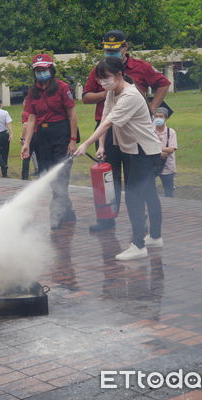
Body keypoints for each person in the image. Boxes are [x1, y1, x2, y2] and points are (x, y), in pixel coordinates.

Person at [75, 57, 163, 261]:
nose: (103, 83)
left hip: (145, 151)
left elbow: (108, 124)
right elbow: (105, 118)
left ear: (118, 75)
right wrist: (103, 146)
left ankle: (138, 245)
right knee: (148, 192)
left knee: (133, 195)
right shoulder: (112, 93)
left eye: (106, 78)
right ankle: (155, 237)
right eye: (100, 79)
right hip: (134, 149)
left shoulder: (130, 95)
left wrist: (86, 143)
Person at [83, 29, 171, 232]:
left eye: (115, 49)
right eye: (107, 49)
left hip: (133, 133)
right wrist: (107, 92)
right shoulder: (101, 70)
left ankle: (140, 224)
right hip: (105, 130)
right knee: (108, 177)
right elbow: (87, 97)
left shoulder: (140, 67)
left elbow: (163, 84)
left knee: (136, 181)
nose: (110, 53)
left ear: (125, 48)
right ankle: (107, 219)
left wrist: (151, 108)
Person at [21, 53, 78, 229]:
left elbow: (72, 115)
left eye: (44, 69)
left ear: (51, 69)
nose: (41, 73)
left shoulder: (62, 87)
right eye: (38, 70)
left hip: (61, 132)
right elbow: (31, 119)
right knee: (49, 174)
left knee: (61, 174)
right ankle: (67, 210)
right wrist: (26, 143)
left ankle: (56, 214)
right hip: (42, 137)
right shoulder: (33, 92)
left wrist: (72, 140)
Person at [153, 107, 177, 197]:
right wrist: (161, 151)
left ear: (166, 118)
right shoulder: (150, 131)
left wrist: (155, 150)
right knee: (151, 190)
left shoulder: (171, 132)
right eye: (156, 116)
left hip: (167, 166)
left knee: (169, 190)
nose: (158, 118)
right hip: (152, 165)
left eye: (161, 116)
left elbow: (172, 148)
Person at [20, 97, 39, 180]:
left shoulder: (25, 113)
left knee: (26, 156)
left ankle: (24, 176)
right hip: (39, 135)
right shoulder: (37, 111)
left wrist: (22, 138)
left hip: (30, 136)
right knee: (40, 155)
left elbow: (25, 126)